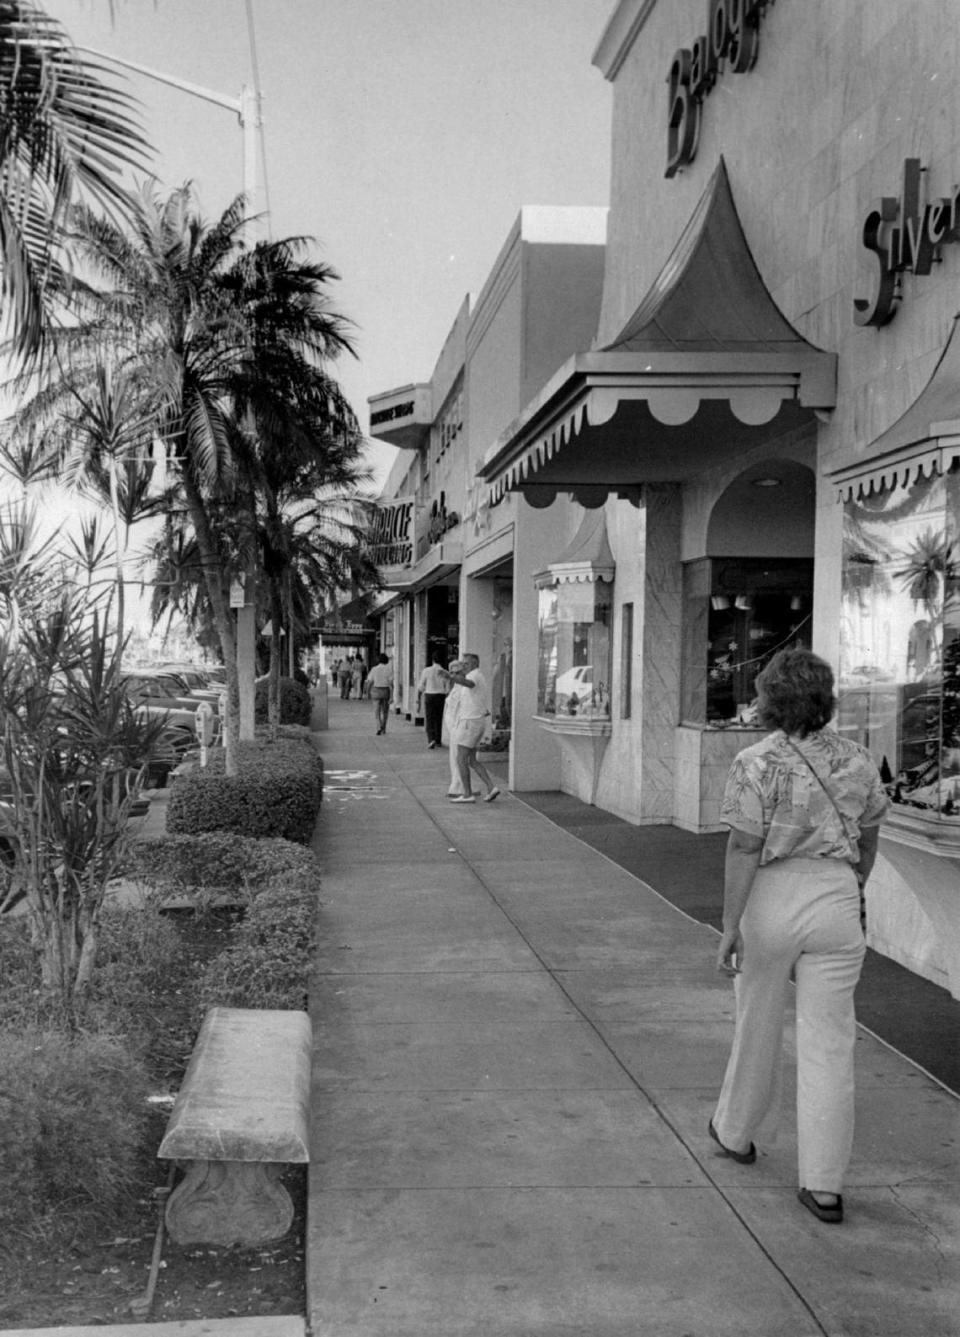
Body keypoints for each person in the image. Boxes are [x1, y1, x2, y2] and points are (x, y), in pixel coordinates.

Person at [710, 649, 888, 1225]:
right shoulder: (859, 758)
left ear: (769, 698)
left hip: (772, 898)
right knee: (831, 1042)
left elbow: (743, 846)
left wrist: (729, 924)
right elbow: (870, 829)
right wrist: (851, 883)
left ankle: (736, 1132)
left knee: (756, 1019)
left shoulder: (755, 761)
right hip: (836, 897)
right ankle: (825, 1184)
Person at [440, 652, 499, 803]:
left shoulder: (473, 676)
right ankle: (491, 787)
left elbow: (469, 684)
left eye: (466, 664)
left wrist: (450, 676)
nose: (463, 667)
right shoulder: (476, 676)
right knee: (471, 759)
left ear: (473, 664)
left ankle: (467, 794)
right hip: (474, 722)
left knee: (461, 758)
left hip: (469, 723)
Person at [441, 660, 466, 796]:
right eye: (451, 672)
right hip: (452, 727)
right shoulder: (455, 687)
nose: (454, 675)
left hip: (459, 726)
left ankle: (458, 787)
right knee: (455, 757)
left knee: (458, 758)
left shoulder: (463, 688)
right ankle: (459, 785)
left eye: (457, 672)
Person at [417, 650, 448, 748]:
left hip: (429, 696)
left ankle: (431, 739)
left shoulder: (426, 671)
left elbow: (421, 686)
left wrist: (418, 698)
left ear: (433, 660)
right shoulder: (445, 672)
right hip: (440, 696)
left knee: (430, 718)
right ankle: (438, 740)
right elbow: (447, 689)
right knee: (439, 718)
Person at [367, 653, 393, 735]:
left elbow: (370, 681)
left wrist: (368, 691)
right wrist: (392, 696)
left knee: (376, 711)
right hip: (385, 691)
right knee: (385, 712)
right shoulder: (389, 669)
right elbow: (391, 684)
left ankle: (378, 727)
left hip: (376, 691)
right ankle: (383, 728)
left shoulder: (374, 669)